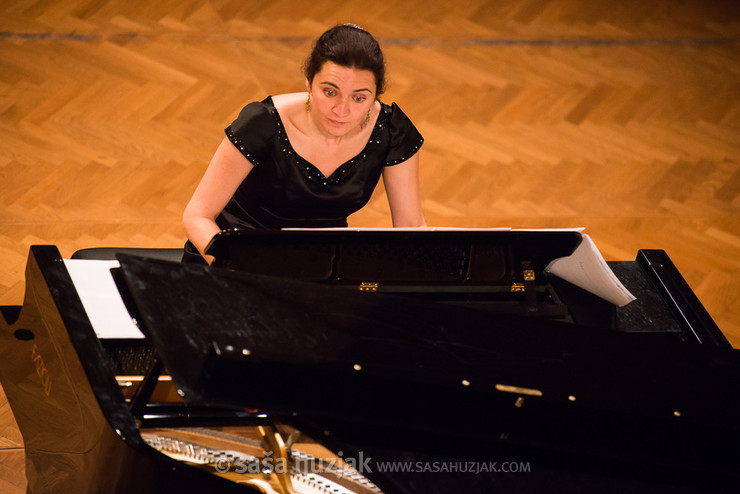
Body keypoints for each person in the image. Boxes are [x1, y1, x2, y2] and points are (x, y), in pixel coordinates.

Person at [182, 23, 426, 264]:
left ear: (376, 95)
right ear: (309, 82)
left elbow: (411, 228)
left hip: (322, 267)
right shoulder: (263, 123)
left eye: (359, 98)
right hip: (237, 258)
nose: (342, 110)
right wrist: (232, 266)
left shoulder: (392, 131)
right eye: (330, 92)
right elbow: (197, 216)